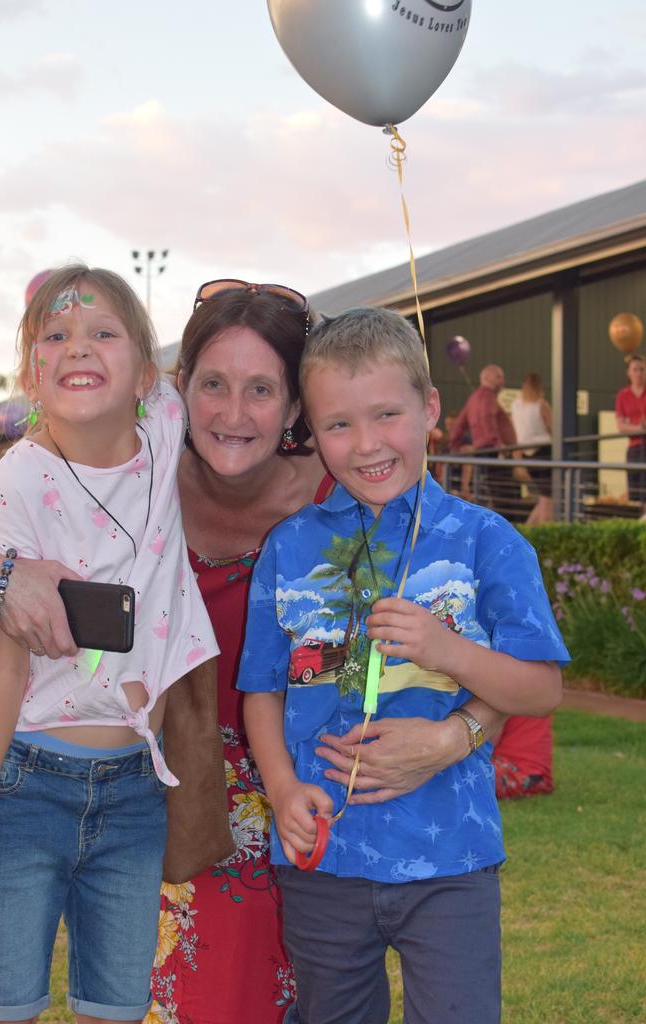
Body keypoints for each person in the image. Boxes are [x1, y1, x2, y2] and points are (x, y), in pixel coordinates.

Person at [0, 283, 511, 1024]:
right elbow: (1, 574)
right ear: (177, 388)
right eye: (212, 385)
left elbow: (490, 650)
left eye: (261, 390)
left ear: (296, 412)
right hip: (166, 796)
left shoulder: (353, 491)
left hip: (314, 806)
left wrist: (456, 735)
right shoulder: (136, 473)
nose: (231, 413)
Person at [238, 307, 568, 1024]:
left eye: (387, 414)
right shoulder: (288, 547)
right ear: (311, 430)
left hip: (450, 858)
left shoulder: (488, 541)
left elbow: (541, 688)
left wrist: (448, 651)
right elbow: (261, 689)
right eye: (338, 425)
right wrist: (282, 786)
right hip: (323, 860)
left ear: (431, 409)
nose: (366, 445)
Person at [0, 265, 217, 1024]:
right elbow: (2, 674)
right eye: (53, 337)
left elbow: (222, 343)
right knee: (2, 1008)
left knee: (116, 1010)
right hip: (27, 785)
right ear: (32, 372)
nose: (76, 347)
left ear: (146, 373)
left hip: (134, 795)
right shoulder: (17, 487)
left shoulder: (164, 427)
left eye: (101, 333)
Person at [449, 363, 519, 517]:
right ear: (487, 378)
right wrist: (497, 444)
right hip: (493, 452)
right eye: (499, 376)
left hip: (484, 453)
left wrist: (454, 448)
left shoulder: (473, 398)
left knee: (493, 494)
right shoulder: (488, 397)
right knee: (507, 497)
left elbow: (458, 426)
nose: (503, 380)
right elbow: (486, 419)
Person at [511, 372, 554, 525]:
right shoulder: (541, 405)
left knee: (544, 495)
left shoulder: (516, 405)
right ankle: (543, 527)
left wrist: (517, 458)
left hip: (525, 452)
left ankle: (529, 528)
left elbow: (515, 431)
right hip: (543, 450)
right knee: (548, 495)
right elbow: (554, 428)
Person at [491, 715, 554, 799]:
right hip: (536, 775)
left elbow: (488, 738)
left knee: (472, 770)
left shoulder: (499, 701)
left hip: (516, 773)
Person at [615, 353, 646, 518]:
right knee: (635, 492)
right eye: (635, 369)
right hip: (634, 446)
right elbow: (620, 425)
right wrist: (639, 428)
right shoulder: (623, 395)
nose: (639, 373)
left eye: (642, 369)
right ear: (629, 373)